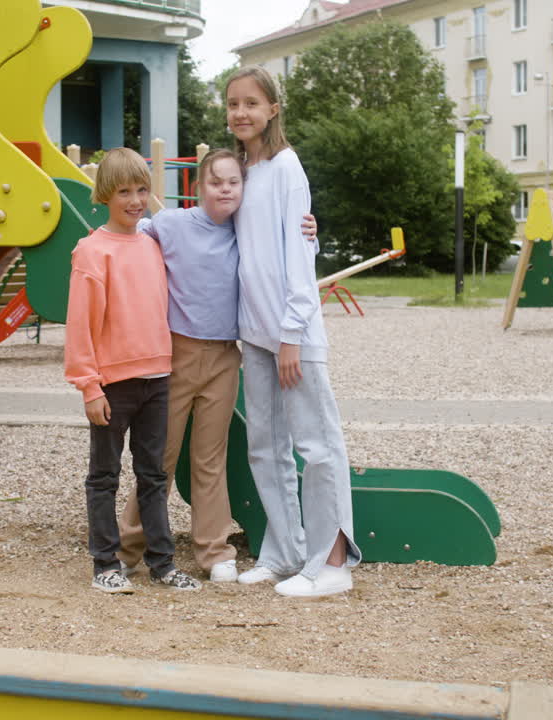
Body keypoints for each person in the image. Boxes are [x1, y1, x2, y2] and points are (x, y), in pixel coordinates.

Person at [115, 150, 320, 584]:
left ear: (243, 190)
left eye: (233, 182)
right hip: (176, 356)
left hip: (226, 357)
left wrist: (312, 233)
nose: (225, 189)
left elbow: (290, 252)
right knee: (160, 456)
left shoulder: (247, 231)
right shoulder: (171, 224)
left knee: (210, 457)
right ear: (198, 188)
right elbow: (129, 237)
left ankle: (213, 550)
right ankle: (129, 546)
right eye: (216, 182)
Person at [225, 65, 361, 598]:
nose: (241, 113)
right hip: (253, 331)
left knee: (317, 444)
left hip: (291, 332)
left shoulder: (286, 168)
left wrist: (291, 333)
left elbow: (299, 255)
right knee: (265, 447)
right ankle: (282, 553)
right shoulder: (240, 170)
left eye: (251, 104)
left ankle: (332, 564)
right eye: (233, 104)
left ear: (272, 109)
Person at [63, 147, 202, 594]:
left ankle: (162, 565)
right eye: (124, 191)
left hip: (157, 379)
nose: (135, 199)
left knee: (154, 476)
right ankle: (105, 563)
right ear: (105, 195)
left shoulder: (152, 245)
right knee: (104, 476)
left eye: (142, 190)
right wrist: (89, 386)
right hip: (111, 383)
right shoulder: (91, 251)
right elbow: (81, 326)